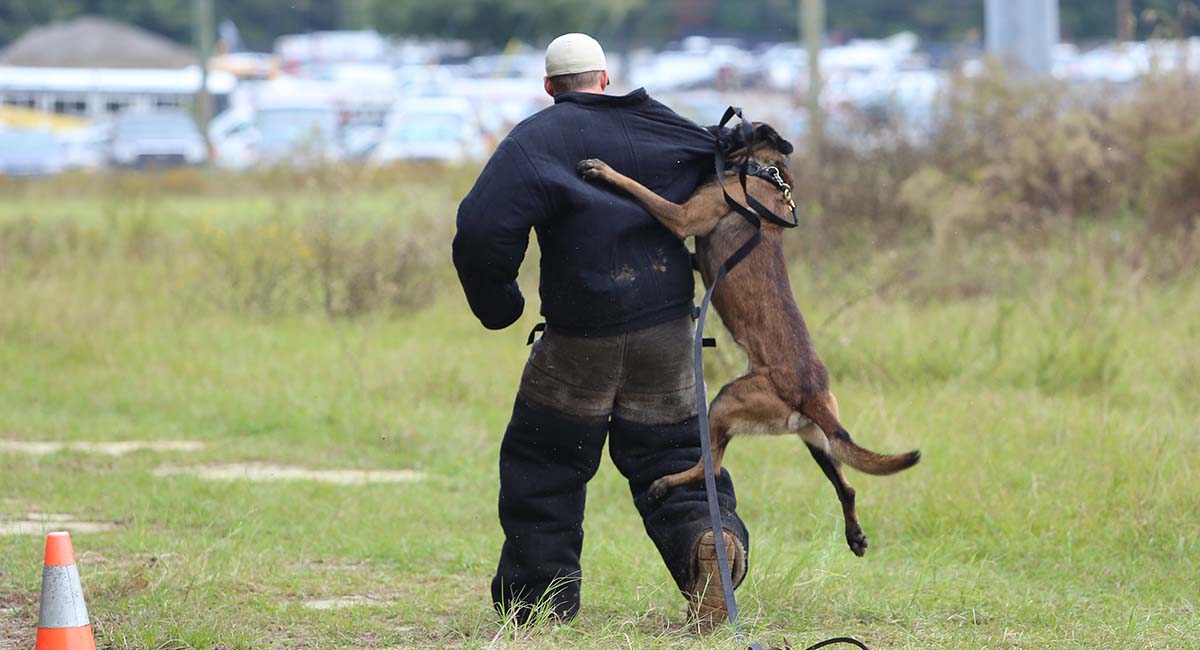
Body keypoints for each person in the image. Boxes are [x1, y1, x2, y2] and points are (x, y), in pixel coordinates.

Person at [452, 33, 749, 627]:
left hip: (577, 343)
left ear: (549, 88)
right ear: (606, 80)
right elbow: (737, 158)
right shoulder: (666, 127)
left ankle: (539, 605)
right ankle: (707, 547)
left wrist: (501, 305)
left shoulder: (534, 141)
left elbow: (481, 231)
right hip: (667, 336)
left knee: (545, 464)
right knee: (677, 457)